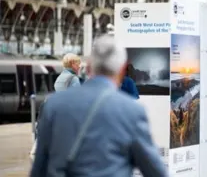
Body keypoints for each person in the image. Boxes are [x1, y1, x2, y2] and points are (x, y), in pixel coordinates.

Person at [30, 35, 167, 177]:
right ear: (122, 70)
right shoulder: (132, 112)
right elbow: (154, 171)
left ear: (88, 67)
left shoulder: (53, 105)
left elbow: (39, 168)